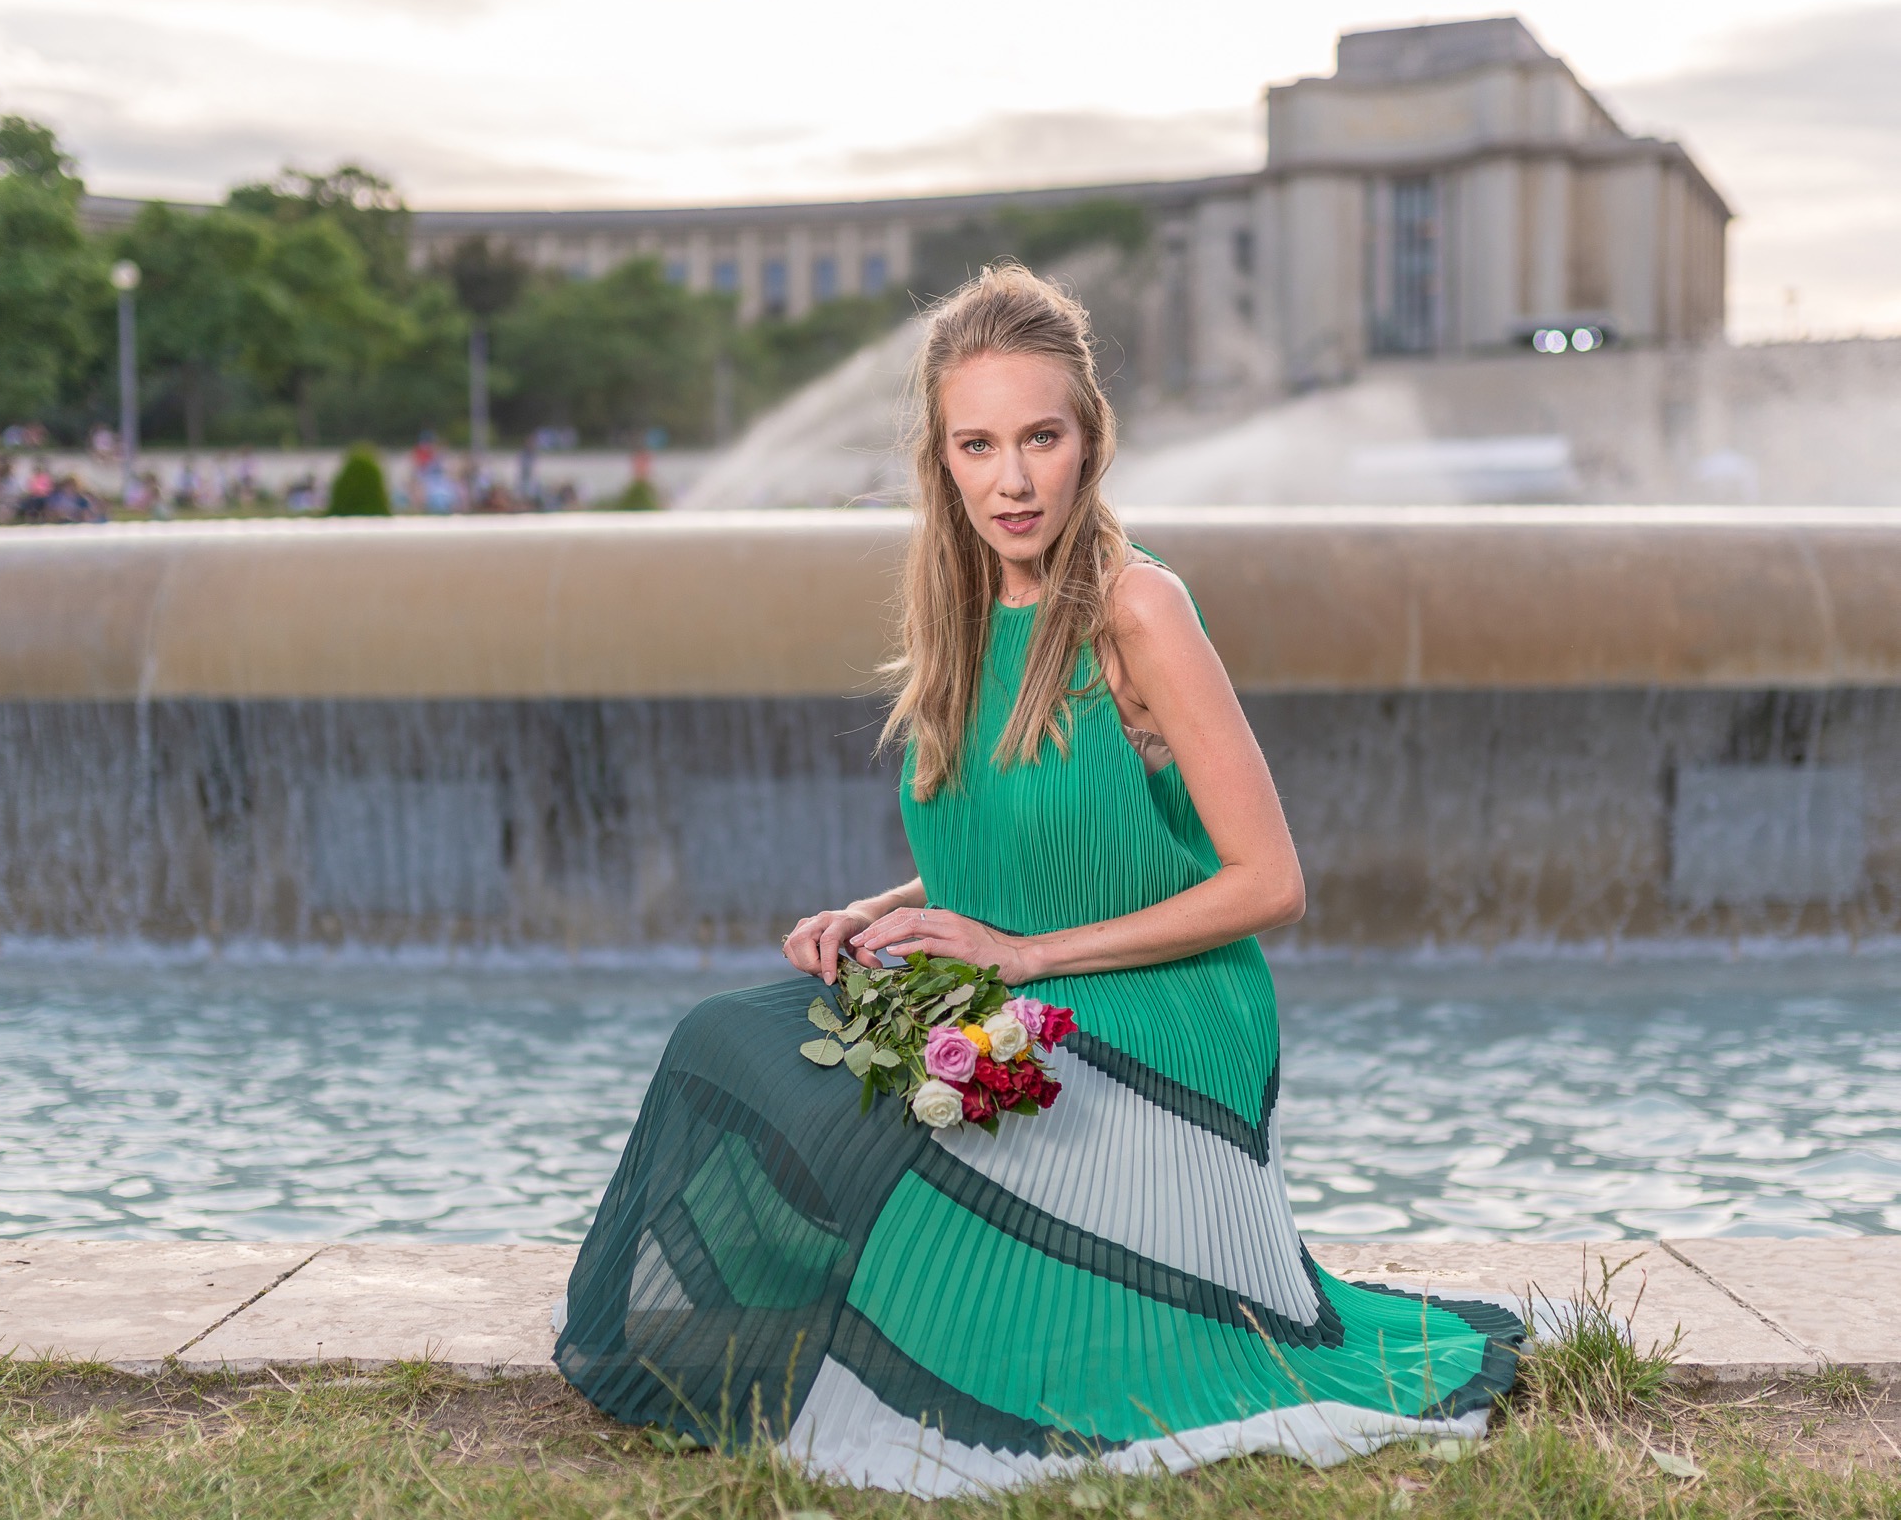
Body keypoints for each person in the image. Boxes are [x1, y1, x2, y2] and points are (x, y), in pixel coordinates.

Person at [554, 266, 1521, 1496]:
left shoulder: (1136, 609)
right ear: (941, 459)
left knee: (874, 1162)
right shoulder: (959, 614)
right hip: (1010, 987)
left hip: (1160, 1017)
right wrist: (880, 909)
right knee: (726, 1039)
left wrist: (1024, 959)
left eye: (1039, 438)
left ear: (1088, 443)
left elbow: (1267, 880)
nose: (1011, 479)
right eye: (978, 444)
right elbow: (1027, 840)